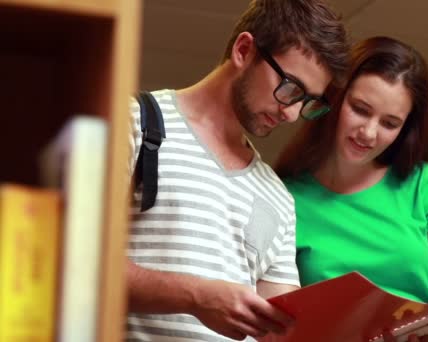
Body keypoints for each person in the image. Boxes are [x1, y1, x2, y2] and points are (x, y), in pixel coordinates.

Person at [126, 1, 349, 341]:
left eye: (307, 102)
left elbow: (282, 332)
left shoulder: (278, 198)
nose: (292, 114)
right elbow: (79, 262)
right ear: (244, 50)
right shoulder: (134, 124)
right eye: (290, 88)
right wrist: (196, 297)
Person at [275, 36, 428, 342]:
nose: (368, 133)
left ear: (405, 128)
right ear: (336, 98)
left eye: (389, 123)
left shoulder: (427, 185)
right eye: (360, 109)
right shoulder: (286, 196)